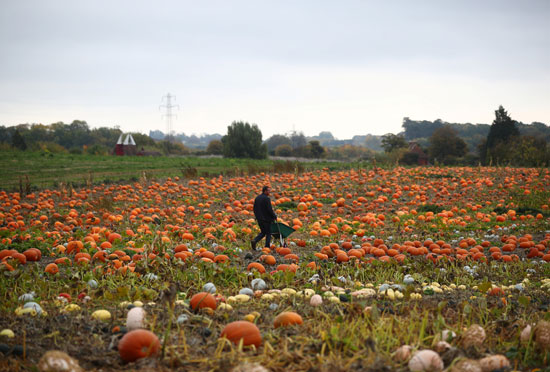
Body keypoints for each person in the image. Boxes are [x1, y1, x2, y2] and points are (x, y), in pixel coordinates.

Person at [251, 186, 277, 250]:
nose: (269, 192)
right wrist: (274, 216)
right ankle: (267, 247)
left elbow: (254, 209)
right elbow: (269, 209)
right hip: (266, 219)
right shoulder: (266, 199)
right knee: (268, 233)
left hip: (259, 219)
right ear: (265, 191)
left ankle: (255, 240)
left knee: (263, 232)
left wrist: (257, 217)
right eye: (268, 190)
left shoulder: (257, 198)